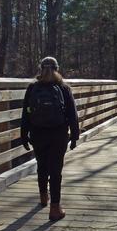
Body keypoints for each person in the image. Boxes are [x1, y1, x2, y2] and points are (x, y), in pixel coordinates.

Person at [20, 57, 79, 221]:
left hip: (37, 134)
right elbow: (72, 115)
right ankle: (55, 208)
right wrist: (74, 136)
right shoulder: (63, 87)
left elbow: (26, 114)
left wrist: (24, 135)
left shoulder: (32, 88)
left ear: (40, 69)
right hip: (58, 134)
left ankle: (43, 197)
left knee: (42, 166)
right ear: (57, 69)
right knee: (55, 171)